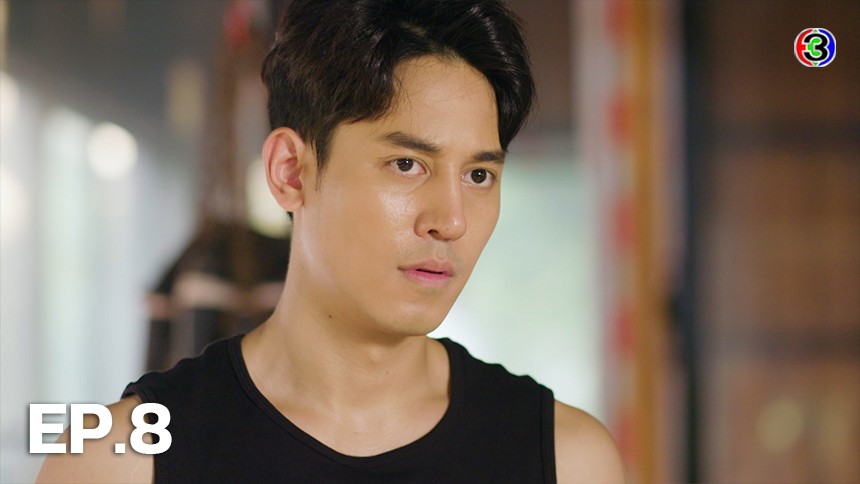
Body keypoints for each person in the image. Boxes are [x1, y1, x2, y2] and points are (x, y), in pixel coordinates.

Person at [38, 0, 625, 482]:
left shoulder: (566, 459)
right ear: (291, 172)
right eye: (407, 164)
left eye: (478, 175)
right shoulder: (118, 461)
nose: (451, 220)